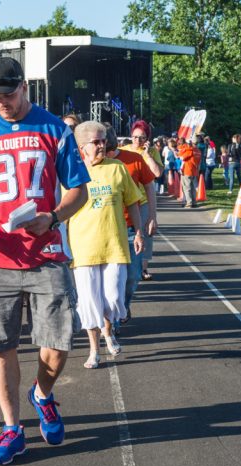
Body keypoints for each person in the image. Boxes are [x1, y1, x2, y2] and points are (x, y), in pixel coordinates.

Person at [0, 57, 90, 465]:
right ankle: (12, 427)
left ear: (24, 87)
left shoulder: (53, 128)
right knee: (0, 343)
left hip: (45, 251)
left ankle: (43, 393)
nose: (1, 103)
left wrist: (54, 217)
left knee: (59, 340)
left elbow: (78, 190)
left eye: (7, 94)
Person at [69, 121, 143, 369]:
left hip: (115, 244)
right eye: (96, 142)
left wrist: (139, 231)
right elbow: (61, 209)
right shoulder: (71, 171)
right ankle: (93, 350)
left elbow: (133, 201)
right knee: (89, 301)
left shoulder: (117, 168)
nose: (103, 146)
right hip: (83, 246)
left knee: (112, 298)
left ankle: (108, 330)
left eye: (103, 141)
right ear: (82, 147)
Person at [105, 124, 154, 321]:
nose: (101, 149)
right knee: (110, 279)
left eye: (105, 144)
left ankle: (123, 306)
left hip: (131, 226)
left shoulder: (133, 159)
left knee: (132, 276)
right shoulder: (90, 162)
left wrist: (152, 216)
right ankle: (113, 319)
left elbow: (149, 186)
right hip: (105, 229)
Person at [177, 136, 201, 208]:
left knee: (186, 187)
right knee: (193, 187)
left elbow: (181, 157)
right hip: (194, 170)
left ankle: (189, 202)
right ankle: (194, 202)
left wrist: (183, 149)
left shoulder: (189, 150)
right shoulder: (198, 151)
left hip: (187, 170)